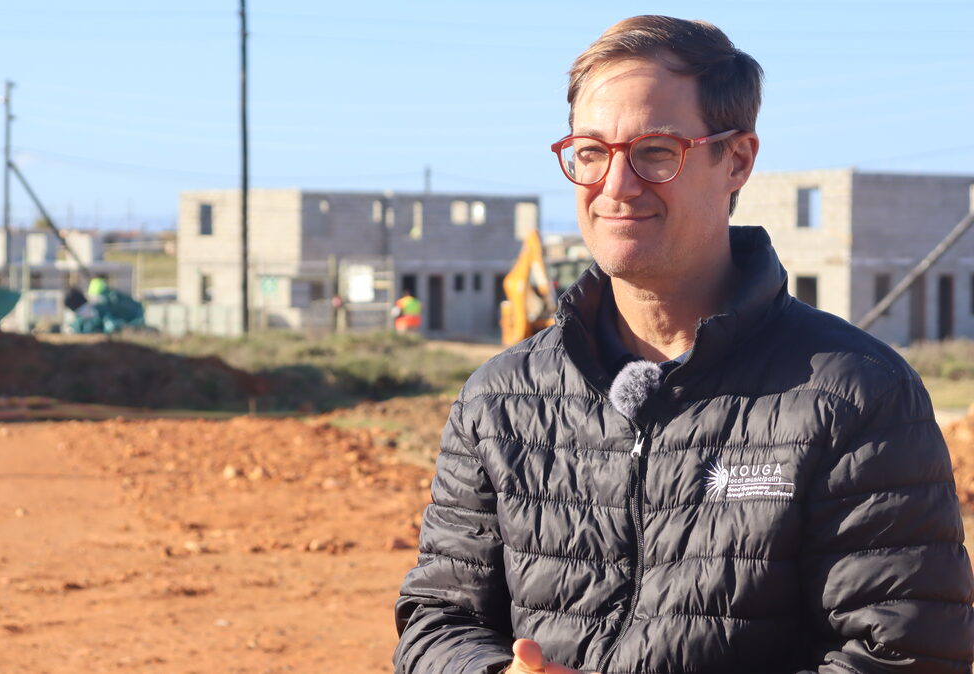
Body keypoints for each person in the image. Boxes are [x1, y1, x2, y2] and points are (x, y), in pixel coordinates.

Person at [394, 15, 973, 674]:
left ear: (738, 160)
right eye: (590, 151)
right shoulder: (500, 399)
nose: (616, 185)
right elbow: (438, 619)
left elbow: (904, 657)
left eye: (656, 150)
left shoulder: (856, 398)